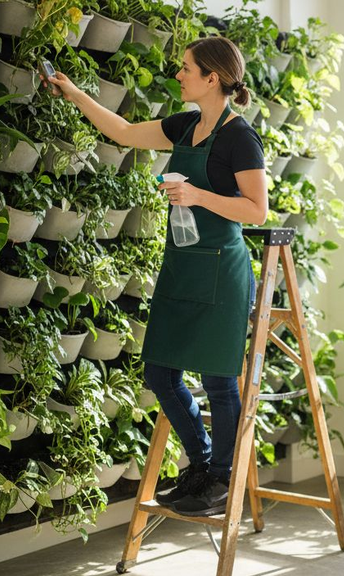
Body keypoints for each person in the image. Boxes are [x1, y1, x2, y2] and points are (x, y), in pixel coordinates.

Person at [46, 36, 267, 517]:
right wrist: (76, 93)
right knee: (161, 373)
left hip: (221, 272)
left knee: (220, 382)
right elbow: (124, 132)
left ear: (213, 77)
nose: (179, 74)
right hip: (182, 265)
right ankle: (202, 464)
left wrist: (199, 197)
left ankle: (222, 481)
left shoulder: (239, 137)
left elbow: (256, 210)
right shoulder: (185, 125)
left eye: (186, 68)